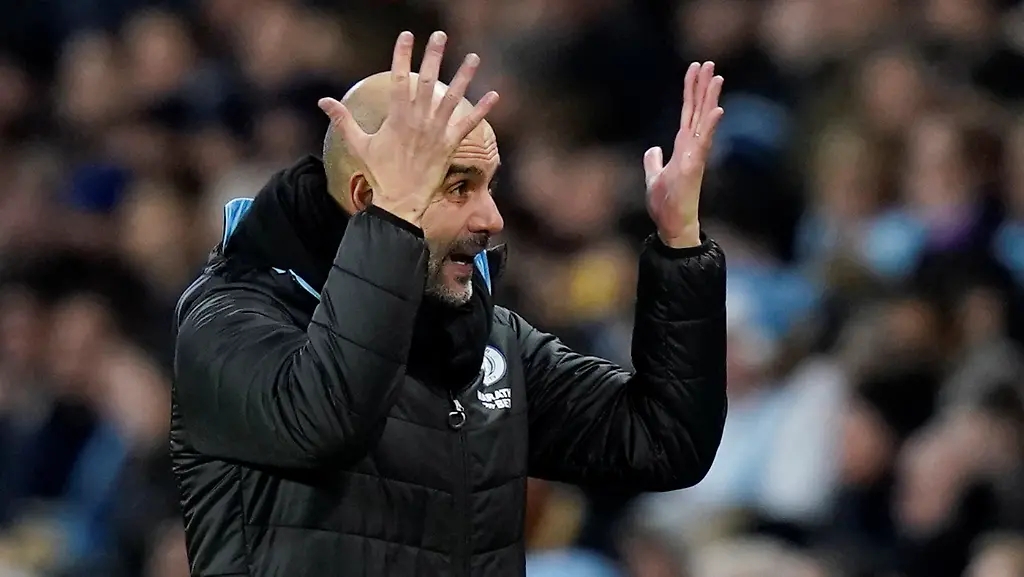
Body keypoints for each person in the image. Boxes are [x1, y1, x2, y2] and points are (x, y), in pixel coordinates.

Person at [171, 30, 728, 577]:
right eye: (458, 188)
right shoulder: (228, 321)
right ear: (366, 197)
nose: (492, 218)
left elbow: (662, 440)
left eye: (489, 186)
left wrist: (680, 245)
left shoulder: (486, 343)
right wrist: (393, 223)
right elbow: (328, 420)